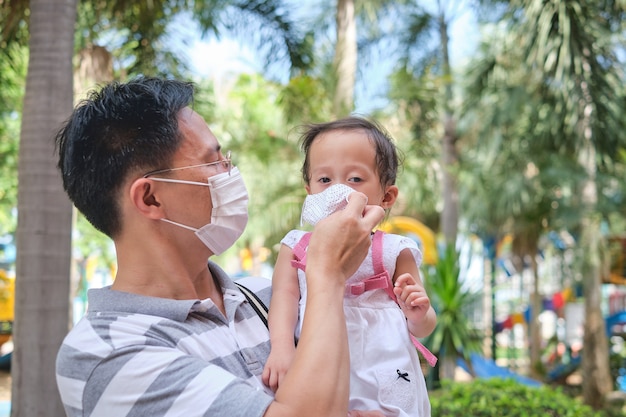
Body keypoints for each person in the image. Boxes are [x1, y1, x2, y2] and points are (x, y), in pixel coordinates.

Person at [54, 77, 387, 417]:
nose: (230, 172)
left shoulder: (265, 297)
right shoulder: (106, 352)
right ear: (151, 197)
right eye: (213, 162)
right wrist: (328, 273)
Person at [262, 117, 438, 417]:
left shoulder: (395, 251)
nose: (339, 191)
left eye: (355, 179)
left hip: (386, 365)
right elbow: (284, 297)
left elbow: (423, 326)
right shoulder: (296, 245)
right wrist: (281, 349)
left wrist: (418, 313)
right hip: (320, 361)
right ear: (310, 193)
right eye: (325, 180)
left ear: (387, 196)